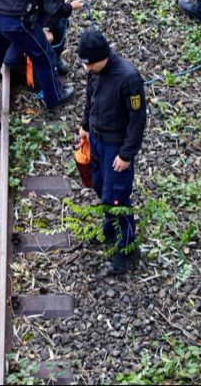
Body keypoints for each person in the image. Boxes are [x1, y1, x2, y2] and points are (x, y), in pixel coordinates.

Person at [77, 30, 147, 275]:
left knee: (117, 198)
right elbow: (90, 99)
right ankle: (109, 227)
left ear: (102, 57)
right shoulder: (95, 72)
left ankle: (126, 247)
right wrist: (86, 126)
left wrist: (126, 154)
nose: (86, 69)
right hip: (96, 140)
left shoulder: (129, 79)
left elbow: (137, 120)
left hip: (115, 147)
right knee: (99, 185)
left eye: (89, 63)